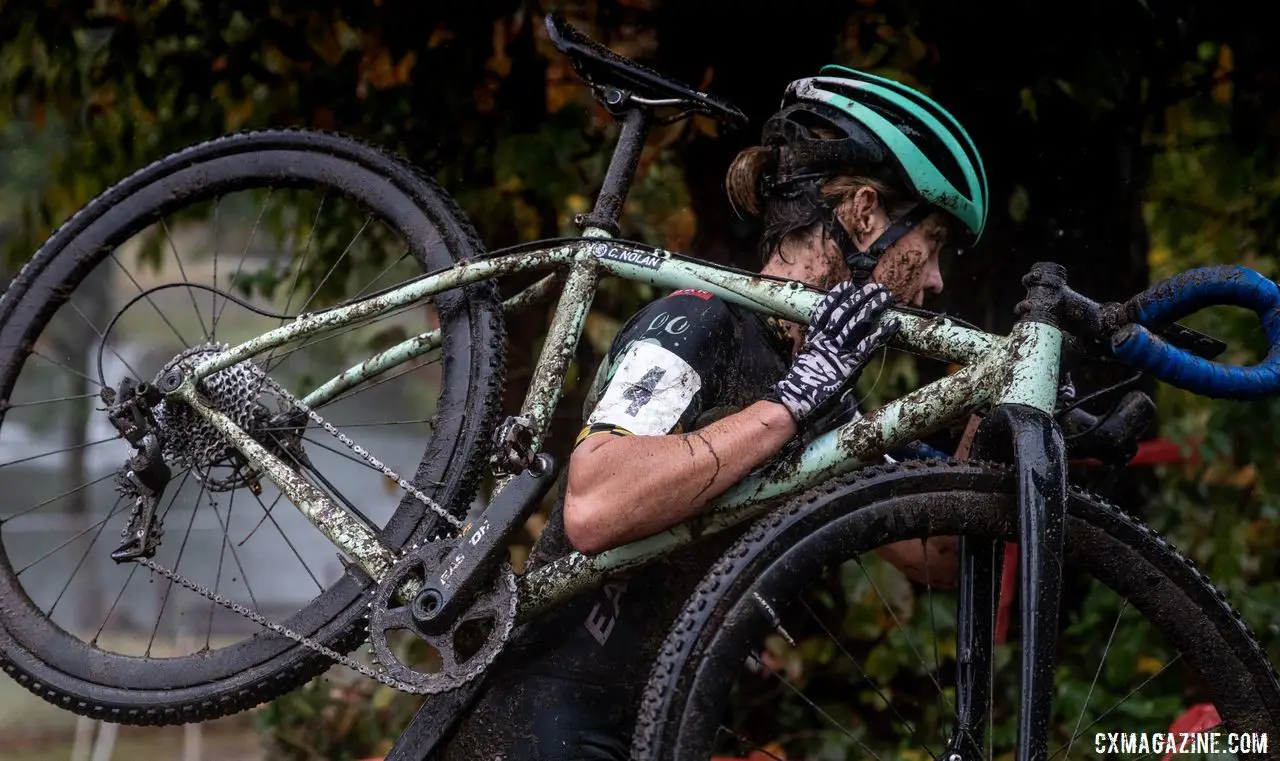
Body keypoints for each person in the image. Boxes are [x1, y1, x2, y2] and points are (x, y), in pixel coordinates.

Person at [434, 65, 989, 761]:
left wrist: (993, 420)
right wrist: (790, 405)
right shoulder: (698, 320)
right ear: (865, 212)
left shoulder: (821, 389)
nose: (937, 278)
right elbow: (596, 500)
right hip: (540, 716)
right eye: (931, 242)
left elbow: (934, 559)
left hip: (654, 730)